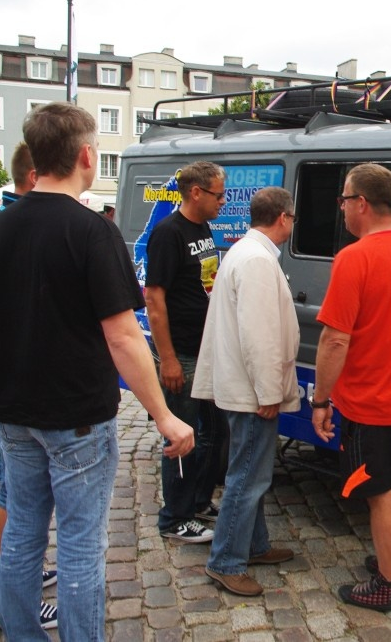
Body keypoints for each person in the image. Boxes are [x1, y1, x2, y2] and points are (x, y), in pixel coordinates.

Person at [0, 102, 195, 641]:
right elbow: (124, 335)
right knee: (82, 543)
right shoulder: (92, 231)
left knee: (22, 536)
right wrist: (165, 416)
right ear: (86, 154)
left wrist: (17, 348)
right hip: (77, 416)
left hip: (13, 413)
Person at [311, 163, 391, 612]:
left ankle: (388, 583)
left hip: (371, 400)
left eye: (343, 199)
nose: (341, 208)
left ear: (361, 203)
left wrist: (321, 400)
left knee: (381, 494)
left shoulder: (355, 257)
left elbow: (335, 338)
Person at [193, 187, 299, 596]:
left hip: (242, 386)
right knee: (247, 478)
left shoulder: (244, 252)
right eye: (292, 218)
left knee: (251, 473)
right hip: (252, 392)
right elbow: (260, 338)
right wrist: (268, 392)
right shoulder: (256, 260)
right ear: (283, 218)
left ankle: (253, 545)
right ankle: (226, 561)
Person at [0, 142, 59, 629]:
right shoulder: (10, 229)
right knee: (14, 485)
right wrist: (20, 349)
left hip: (1, 366)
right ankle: (6, 593)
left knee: (8, 476)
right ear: (36, 176)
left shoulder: (3, 224)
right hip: (10, 369)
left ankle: (12, 578)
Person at [145, 161, 229, 543]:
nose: (223, 202)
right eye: (218, 194)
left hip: (206, 348)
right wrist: (170, 358)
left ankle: (196, 502)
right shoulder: (168, 234)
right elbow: (155, 299)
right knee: (182, 435)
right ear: (196, 192)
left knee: (213, 433)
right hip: (182, 352)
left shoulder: (203, 228)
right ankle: (173, 518)